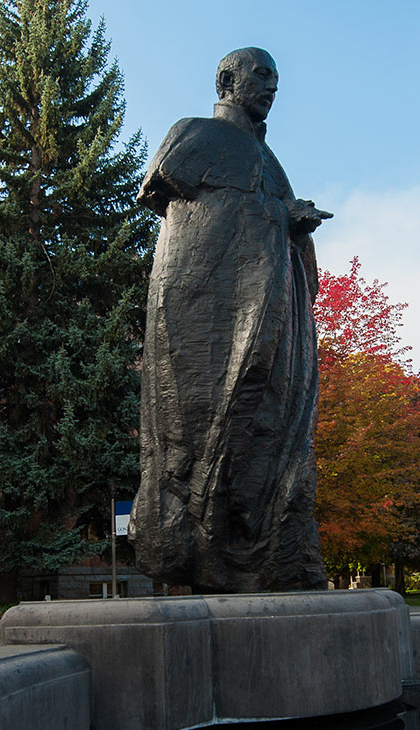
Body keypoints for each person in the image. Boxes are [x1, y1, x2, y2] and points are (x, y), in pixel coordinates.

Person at [129, 48, 331, 593]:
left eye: (276, 79)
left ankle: (269, 555)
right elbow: (170, 203)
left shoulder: (273, 163)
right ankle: (205, 548)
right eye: (261, 76)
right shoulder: (196, 134)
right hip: (210, 316)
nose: (272, 87)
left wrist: (294, 224)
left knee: (271, 429)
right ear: (226, 80)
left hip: (271, 321)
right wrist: (274, 216)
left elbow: (282, 241)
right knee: (204, 433)